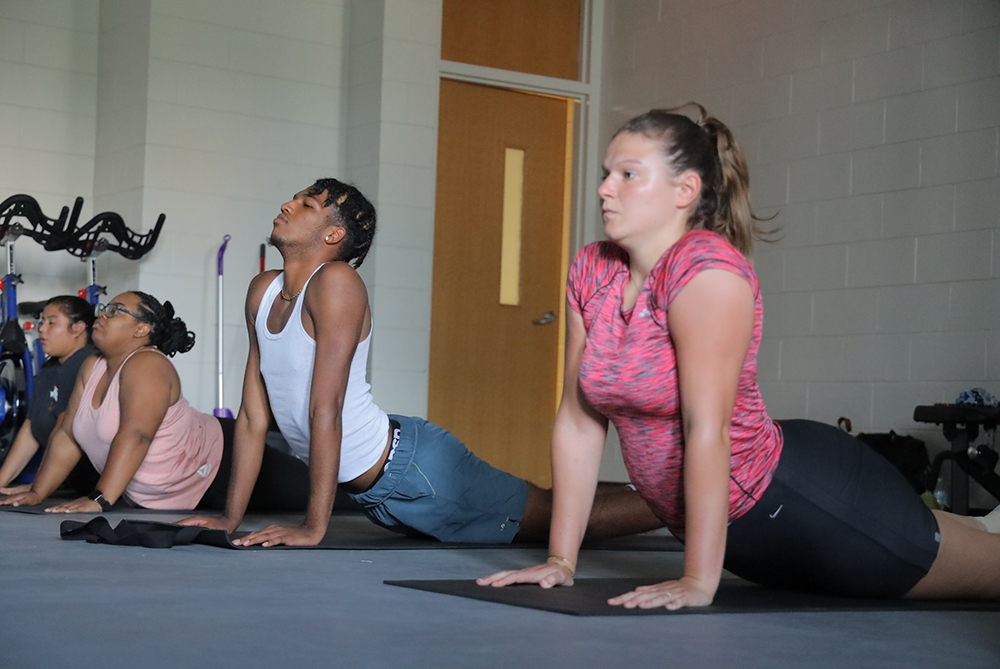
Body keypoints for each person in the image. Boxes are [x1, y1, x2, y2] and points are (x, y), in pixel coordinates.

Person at [479, 104, 1000, 608]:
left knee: (989, 572)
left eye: (629, 175)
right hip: (747, 539)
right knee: (964, 538)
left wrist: (698, 579)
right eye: (606, 172)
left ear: (686, 190)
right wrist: (560, 561)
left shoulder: (705, 271)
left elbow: (708, 428)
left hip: (805, 501)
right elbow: (578, 423)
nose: (604, 189)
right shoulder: (593, 270)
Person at [180, 178, 660, 546]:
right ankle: (668, 496)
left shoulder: (337, 282)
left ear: (332, 234)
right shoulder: (262, 291)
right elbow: (250, 416)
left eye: (306, 204)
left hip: (413, 469)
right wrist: (229, 519)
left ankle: (687, 503)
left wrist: (312, 528)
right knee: (549, 513)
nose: (287, 205)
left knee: (560, 521)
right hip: (380, 493)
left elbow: (326, 408)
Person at [0, 292, 312, 513]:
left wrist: (99, 499)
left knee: (332, 495)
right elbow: (67, 434)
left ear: (141, 329)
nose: (101, 314)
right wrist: (39, 492)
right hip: (179, 492)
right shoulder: (92, 365)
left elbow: (137, 434)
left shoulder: (147, 364)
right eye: (103, 308)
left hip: (222, 463)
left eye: (115, 310)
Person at [0, 296, 98, 494]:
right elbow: (31, 428)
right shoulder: (50, 367)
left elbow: (64, 431)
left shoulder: (86, 364)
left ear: (78, 328)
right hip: (67, 483)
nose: (42, 329)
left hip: (94, 485)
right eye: (42, 322)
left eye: (52, 322)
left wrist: (38, 488)